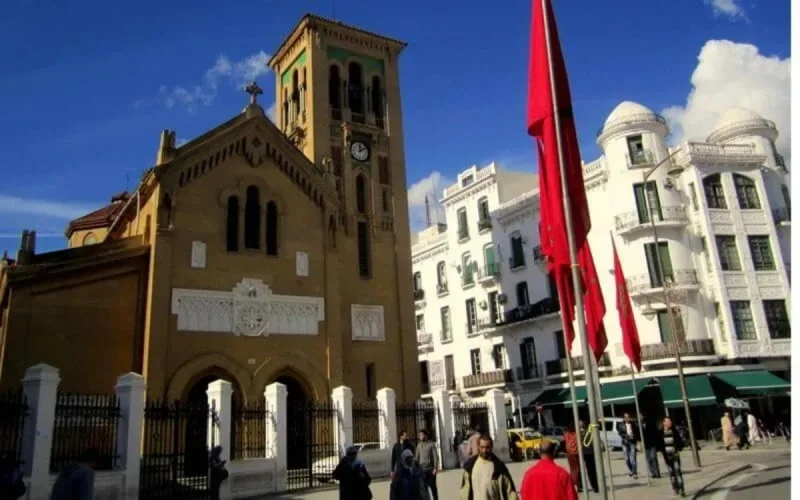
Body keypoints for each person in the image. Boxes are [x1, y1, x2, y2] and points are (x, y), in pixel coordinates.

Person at [459, 434, 518, 500]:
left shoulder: (499, 468)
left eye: (487, 447)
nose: (484, 450)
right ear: (478, 447)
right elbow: (464, 492)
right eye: (482, 447)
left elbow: (510, 492)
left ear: (491, 447)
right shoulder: (470, 467)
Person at [660, 416, 685, 497]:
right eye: (667, 421)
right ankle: (675, 488)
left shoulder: (674, 432)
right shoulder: (661, 433)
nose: (669, 423)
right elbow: (660, 445)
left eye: (670, 421)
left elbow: (680, 442)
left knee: (678, 472)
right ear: (664, 423)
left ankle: (682, 489)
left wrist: (678, 449)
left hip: (675, 455)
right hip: (667, 457)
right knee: (672, 474)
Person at [414, 429, 438, 500]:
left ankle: (435, 498)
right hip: (422, 470)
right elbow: (416, 458)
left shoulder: (431, 444)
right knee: (424, 488)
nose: (420, 436)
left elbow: (435, 457)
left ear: (426, 435)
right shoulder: (418, 445)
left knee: (433, 487)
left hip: (430, 470)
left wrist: (435, 468)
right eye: (419, 435)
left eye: (421, 435)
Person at [617, 412, 640, 479]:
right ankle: (631, 470)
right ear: (624, 418)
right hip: (625, 442)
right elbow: (620, 433)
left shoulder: (633, 424)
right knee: (627, 459)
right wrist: (626, 436)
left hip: (632, 442)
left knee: (633, 459)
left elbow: (637, 432)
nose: (627, 418)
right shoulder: (620, 424)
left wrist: (634, 437)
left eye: (628, 417)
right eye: (625, 417)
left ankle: (635, 473)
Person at [579, 421, 598, 493]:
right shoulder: (588, 432)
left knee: (589, 470)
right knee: (592, 470)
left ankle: (593, 486)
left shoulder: (579, 433)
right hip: (589, 453)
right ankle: (595, 486)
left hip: (585, 453)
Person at [641, 413, 662, 479]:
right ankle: (653, 473)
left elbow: (655, 432)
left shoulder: (650, 422)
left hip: (652, 443)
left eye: (641, 415)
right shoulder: (638, 424)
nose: (640, 417)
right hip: (646, 444)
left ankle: (657, 472)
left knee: (653, 457)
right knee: (648, 459)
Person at [563, 422, 581, 487]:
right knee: (578, 468)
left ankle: (573, 481)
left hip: (569, 453)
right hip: (576, 453)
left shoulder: (567, 434)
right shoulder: (577, 434)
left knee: (572, 468)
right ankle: (578, 483)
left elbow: (564, 440)